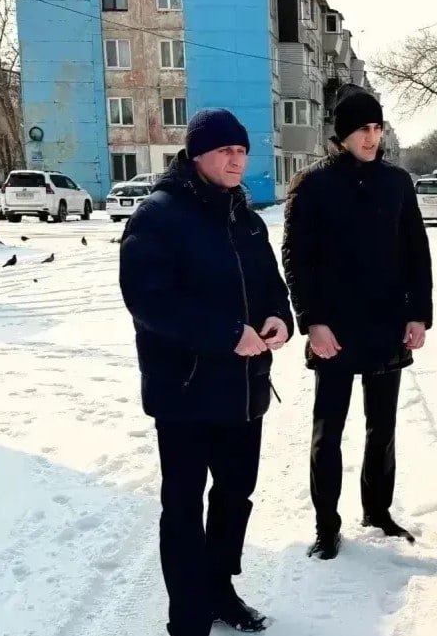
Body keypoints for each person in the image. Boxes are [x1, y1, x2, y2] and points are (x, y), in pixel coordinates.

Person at [119, 108, 293, 636]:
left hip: (244, 390)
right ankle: (188, 616)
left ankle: (220, 589)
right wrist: (226, 333)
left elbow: (272, 286)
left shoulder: (247, 219)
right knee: (183, 506)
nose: (237, 160)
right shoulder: (159, 216)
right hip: (186, 392)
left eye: (242, 151)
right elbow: (148, 301)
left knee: (234, 498)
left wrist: (278, 317)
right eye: (225, 151)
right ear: (197, 155)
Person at [282, 84, 433, 560]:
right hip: (335, 331)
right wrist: (312, 321)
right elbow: (296, 259)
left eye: (376, 128)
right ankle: (327, 525)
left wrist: (418, 313)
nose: (371, 137)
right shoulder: (313, 185)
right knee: (328, 433)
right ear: (341, 135)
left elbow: (417, 253)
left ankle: (378, 510)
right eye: (361, 129)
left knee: (382, 428)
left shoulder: (397, 182)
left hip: (386, 325)